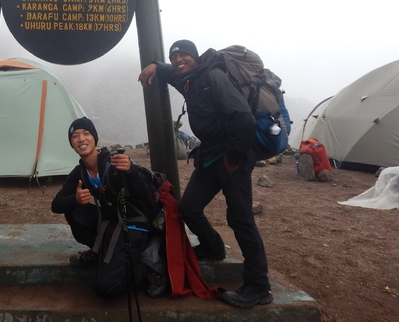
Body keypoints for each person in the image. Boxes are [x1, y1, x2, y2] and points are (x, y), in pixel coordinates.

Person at [138, 39, 273, 309]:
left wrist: (234, 157)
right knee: (188, 207)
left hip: (231, 157)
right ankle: (213, 248)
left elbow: (242, 118)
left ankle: (259, 287)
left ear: (196, 57)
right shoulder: (188, 79)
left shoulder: (213, 76)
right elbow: (170, 71)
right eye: (174, 56)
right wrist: (156, 65)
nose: (178, 60)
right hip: (210, 157)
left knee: (241, 219)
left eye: (183, 55)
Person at [51, 117, 167, 300]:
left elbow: (146, 193)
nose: (81, 139)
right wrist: (75, 199)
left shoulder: (114, 162)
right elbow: (56, 205)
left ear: (94, 138)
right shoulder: (80, 172)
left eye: (86, 134)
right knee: (75, 211)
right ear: (72, 143)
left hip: (134, 226)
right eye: (75, 136)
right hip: (111, 223)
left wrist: (131, 171)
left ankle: (148, 267)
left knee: (107, 288)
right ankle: (101, 252)